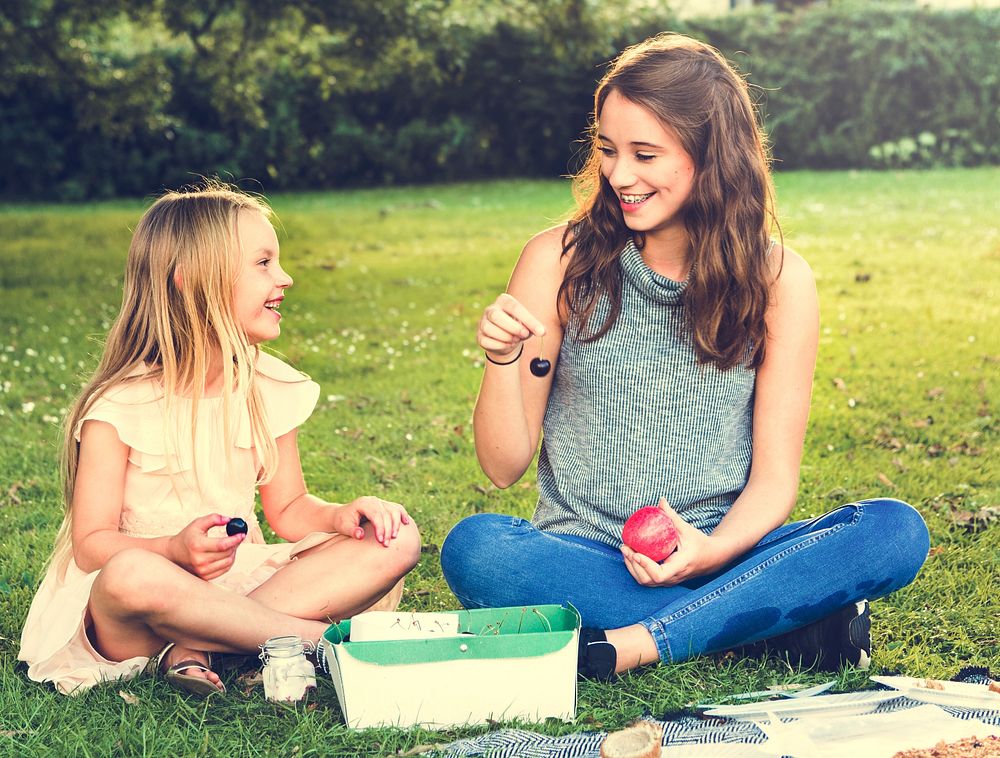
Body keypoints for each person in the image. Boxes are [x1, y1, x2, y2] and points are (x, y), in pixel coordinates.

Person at [440, 33, 929, 679]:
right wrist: (502, 362)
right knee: (478, 550)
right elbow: (502, 466)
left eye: (645, 154)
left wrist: (710, 551)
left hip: (725, 548)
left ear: (714, 158)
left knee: (894, 530)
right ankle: (756, 621)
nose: (618, 175)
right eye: (609, 151)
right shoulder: (557, 260)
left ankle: (637, 642)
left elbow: (774, 482)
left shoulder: (780, 281)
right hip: (587, 555)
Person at [18, 183, 421, 696]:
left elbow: (290, 507)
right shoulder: (119, 406)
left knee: (397, 538)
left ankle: (200, 647)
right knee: (131, 574)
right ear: (193, 282)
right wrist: (172, 549)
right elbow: (91, 546)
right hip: (139, 610)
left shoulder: (265, 386)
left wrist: (340, 515)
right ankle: (317, 642)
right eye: (263, 263)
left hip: (234, 581)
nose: (285, 278)